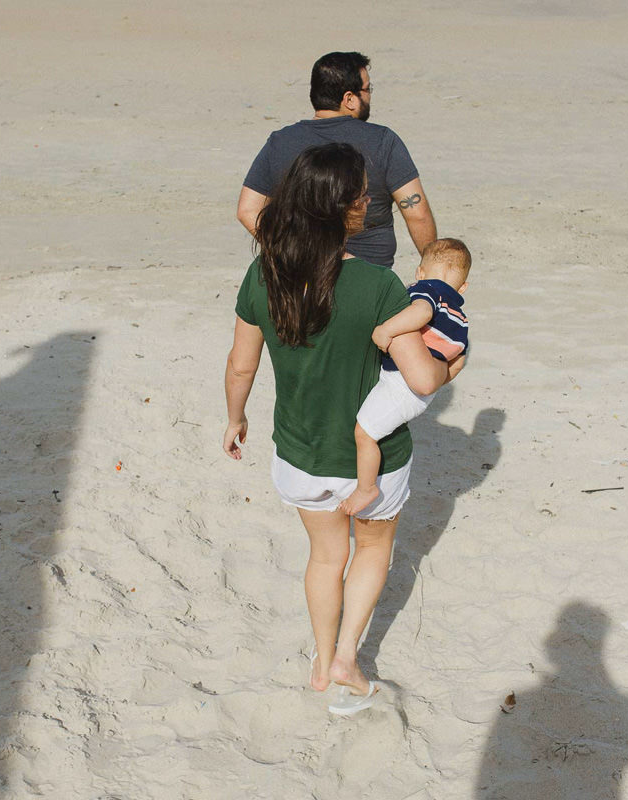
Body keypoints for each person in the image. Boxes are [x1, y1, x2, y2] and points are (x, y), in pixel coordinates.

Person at [223, 143, 459, 715]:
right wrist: (456, 362)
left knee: (325, 557)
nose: (369, 199)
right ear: (345, 209)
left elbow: (241, 362)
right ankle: (347, 657)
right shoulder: (379, 286)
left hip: (299, 453)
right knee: (372, 549)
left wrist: (236, 416)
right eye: (362, 193)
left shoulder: (265, 273)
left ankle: (321, 661)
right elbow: (423, 380)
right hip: (371, 458)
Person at [236, 51, 437, 268]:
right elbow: (417, 214)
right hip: (369, 278)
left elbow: (247, 210)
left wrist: (287, 255)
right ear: (349, 99)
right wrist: (434, 272)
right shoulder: (382, 141)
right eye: (367, 90)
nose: (369, 96)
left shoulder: (280, 142)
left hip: (302, 283)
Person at [339, 238, 471, 516]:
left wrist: (386, 330)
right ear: (463, 287)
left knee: (364, 434)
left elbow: (421, 313)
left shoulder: (426, 290)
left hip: (402, 384)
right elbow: (457, 363)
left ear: (420, 272)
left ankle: (366, 488)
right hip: (426, 390)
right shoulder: (461, 319)